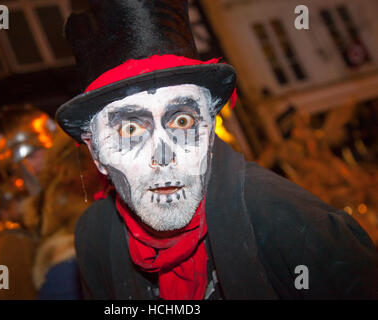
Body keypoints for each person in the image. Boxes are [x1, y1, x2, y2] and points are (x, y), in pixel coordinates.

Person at [56, 0, 378, 299]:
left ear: (209, 130)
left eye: (181, 121)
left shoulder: (293, 228)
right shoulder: (95, 238)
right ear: (95, 152)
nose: (163, 158)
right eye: (130, 130)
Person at [0, 104, 102, 299]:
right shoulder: (39, 201)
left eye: (32, 155)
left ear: (49, 142)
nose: (30, 169)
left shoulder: (79, 169)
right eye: (17, 166)